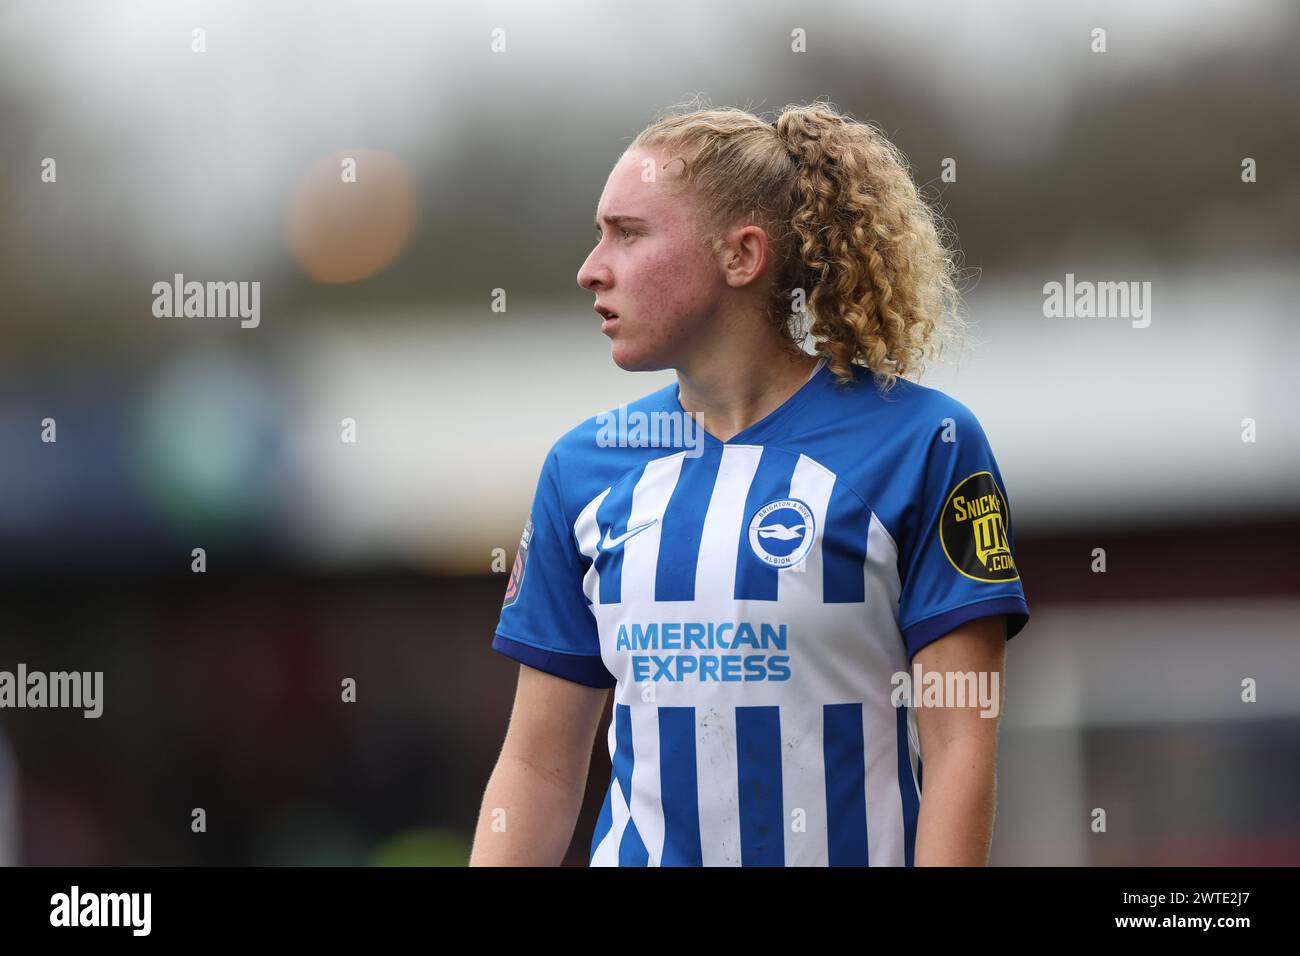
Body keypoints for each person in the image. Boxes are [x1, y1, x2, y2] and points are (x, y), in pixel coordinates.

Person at [470, 100, 1029, 867]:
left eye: (628, 234)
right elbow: (539, 766)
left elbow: (961, 743)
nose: (591, 268)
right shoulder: (583, 468)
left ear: (742, 256)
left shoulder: (924, 444)